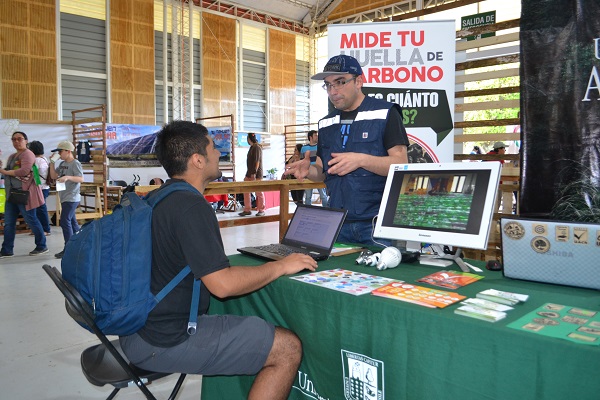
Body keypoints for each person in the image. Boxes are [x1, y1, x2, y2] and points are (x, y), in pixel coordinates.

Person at [118, 120, 317, 400]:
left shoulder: (158, 197)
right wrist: (282, 264)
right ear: (198, 160)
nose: (219, 154)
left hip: (135, 329)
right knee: (287, 348)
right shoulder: (190, 207)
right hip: (164, 339)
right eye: (213, 148)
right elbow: (222, 285)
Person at [285, 54, 409, 247]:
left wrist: (361, 160)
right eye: (328, 85)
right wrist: (309, 170)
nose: (333, 91)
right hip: (336, 223)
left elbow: (400, 164)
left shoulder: (386, 113)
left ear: (359, 81)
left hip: (377, 225)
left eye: (340, 82)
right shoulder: (326, 123)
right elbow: (322, 172)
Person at [0, 131, 48, 257]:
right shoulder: (12, 156)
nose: (16, 141)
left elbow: (24, 171)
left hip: (25, 194)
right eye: (14, 139)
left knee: (31, 220)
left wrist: (6, 171)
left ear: (26, 141)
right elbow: (5, 171)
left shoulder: (28, 154)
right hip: (12, 194)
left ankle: (42, 245)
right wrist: (3, 169)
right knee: (9, 222)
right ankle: (6, 250)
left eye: (19, 139)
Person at [49, 141, 84, 259]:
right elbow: (54, 176)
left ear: (68, 151)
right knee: (73, 222)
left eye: (60, 151)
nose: (59, 154)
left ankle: (68, 249)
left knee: (65, 220)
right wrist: (52, 164)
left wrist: (68, 177)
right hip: (64, 197)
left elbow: (81, 178)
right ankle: (80, 244)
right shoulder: (62, 163)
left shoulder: (75, 163)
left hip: (72, 197)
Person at [238, 132, 265, 217]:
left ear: (249, 139)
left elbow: (257, 161)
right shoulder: (252, 147)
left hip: (256, 174)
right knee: (246, 191)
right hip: (249, 173)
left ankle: (261, 210)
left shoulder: (257, 147)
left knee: (258, 192)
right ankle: (247, 209)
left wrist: (254, 173)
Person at [28, 140, 52, 236]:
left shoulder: (36, 161)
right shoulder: (44, 159)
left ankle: (45, 229)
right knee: (40, 209)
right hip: (45, 187)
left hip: (40, 188)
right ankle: (41, 229)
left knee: (40, 209)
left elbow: (35, 176)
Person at [301, 130, 329, 206]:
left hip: (319, 174)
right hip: (308, 175)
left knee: (323, 196)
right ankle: (307, 212)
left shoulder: (320, 147)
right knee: (308, 197)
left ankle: (326, 212)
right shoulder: (304, 148)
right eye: (315, 135)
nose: (317, 137)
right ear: (310, 137)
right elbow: (302, 162)